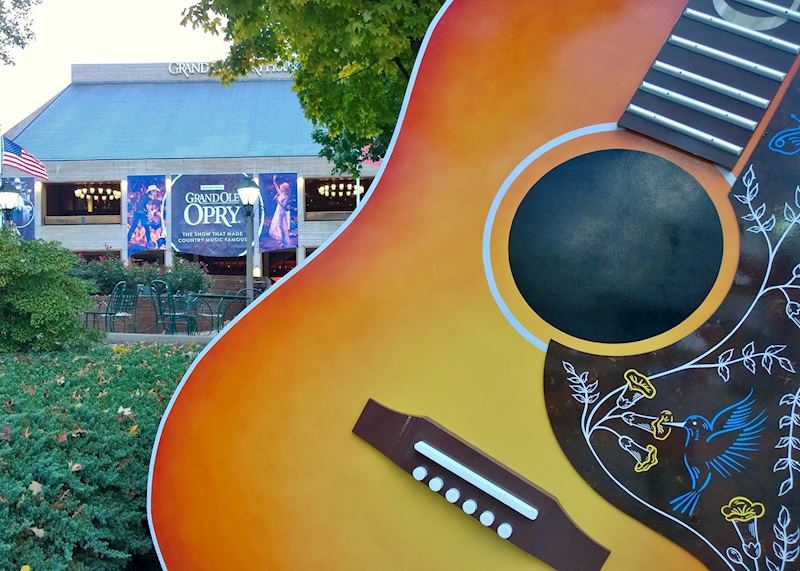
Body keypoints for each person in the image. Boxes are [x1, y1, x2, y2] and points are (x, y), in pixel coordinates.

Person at [268, 175, 291, 247]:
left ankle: (283, 241)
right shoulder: (281, 194)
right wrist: (274, 181)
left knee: (282, 227)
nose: (280, 189)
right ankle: (281, 240)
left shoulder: (286, 196)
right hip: (278, 211)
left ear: (284, 189)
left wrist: (277, 200)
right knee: (279, 226)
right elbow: (276, 187)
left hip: (281, 212)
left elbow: (283, 206)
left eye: (282, 188)